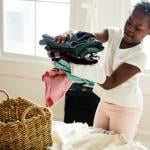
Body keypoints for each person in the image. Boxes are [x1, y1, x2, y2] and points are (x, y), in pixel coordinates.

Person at [54, 1, 150, 141]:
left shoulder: (139, 56)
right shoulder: (115, 34)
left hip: (126, 108)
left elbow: (110, 83)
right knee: (95, 142)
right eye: (129, 22)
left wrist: (80, 67)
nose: (130, 29)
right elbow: (90, 37)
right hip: (105, 102)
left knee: (117, 145)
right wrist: (71, 35)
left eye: (138, 28)